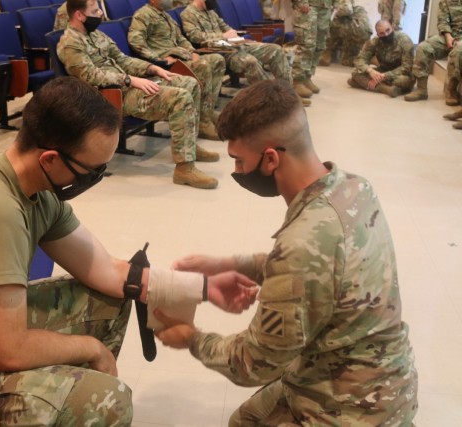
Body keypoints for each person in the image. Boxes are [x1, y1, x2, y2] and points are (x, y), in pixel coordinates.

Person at [0, 77, 257, 425]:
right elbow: (8, 349)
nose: (95, 179)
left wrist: (204, 288)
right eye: (91, 171)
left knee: (114, 297)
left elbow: (107, 270)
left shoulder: (34, 189)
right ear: (50, 159)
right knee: (108, 401)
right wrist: (90, 350)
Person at [153, 79, 419, 426]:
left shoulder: (301, 244)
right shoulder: (354, 187)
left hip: (352, 407)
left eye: (238, 161)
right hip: (390, 380)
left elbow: (252, 363)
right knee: (245, 418)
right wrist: (230, 263)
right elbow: (322, 268)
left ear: (271, 159)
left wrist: (191, 339)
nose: (236, 171)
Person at [58, 0, 220, 189]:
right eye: (95, 10)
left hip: (127, 86)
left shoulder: (96, 34)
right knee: (180, 98)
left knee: (189, 82)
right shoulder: (70, 43)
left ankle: (189, 147)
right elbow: (90, 75)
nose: (101, 14)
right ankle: (184, 168)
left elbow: (122, 59)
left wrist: (151, 68)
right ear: (79, 15)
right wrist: (129, 80)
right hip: (111, 96)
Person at [127, 0, 226, 135]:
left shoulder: (166, 15)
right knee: (202, 66)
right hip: (167, 63)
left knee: (217, 60)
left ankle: (206, 111)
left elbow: (180, 39)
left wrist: (193, 52)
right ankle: (202, 122)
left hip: (182, 56)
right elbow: (136, 41)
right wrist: (158, 60)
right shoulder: (143, 15)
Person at [180, 0, 292, 87]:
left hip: (235, 45)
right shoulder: (188, 14)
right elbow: (195, 36)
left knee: (275, 49)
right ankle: (269, 97)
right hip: (222, 52)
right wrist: (222, 36)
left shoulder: (210, 11)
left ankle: (288, 91)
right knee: (251, 61)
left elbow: (225, 27)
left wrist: (234, 34)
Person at [405, 0, 462, 105]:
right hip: (450, 36)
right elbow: (443, 21)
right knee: (423, 48)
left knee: (459, 50)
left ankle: (451, 90)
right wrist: (448, 36)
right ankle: (421, 90)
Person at [348, 19, 415, 98]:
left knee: (401, 81)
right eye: (382, 33)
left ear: (392, 27)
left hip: (401, 74)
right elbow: (359, 60)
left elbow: (407, 67)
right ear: (378, 34)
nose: (386, 35)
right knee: (355, 73)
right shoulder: (374, 42)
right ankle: (385, 89)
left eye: (388, 30)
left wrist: (385, 76)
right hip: (383, 70)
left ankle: (361, 83)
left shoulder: (405, 41)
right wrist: (370, 71)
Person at [290, 0, 334, 99]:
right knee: (306, 45)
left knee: (319, 46)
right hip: (308, 7)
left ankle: (307, 77)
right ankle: (297, 81)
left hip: (325, 7)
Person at [319, 0, 372, 67]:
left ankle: (326, 53)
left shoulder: (345, 6)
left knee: (325, 22)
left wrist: (333, 9)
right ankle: (366, 58)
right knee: (348, 60)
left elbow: (346, 10)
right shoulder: (360, 9)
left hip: (354, 33)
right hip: (361, 38)